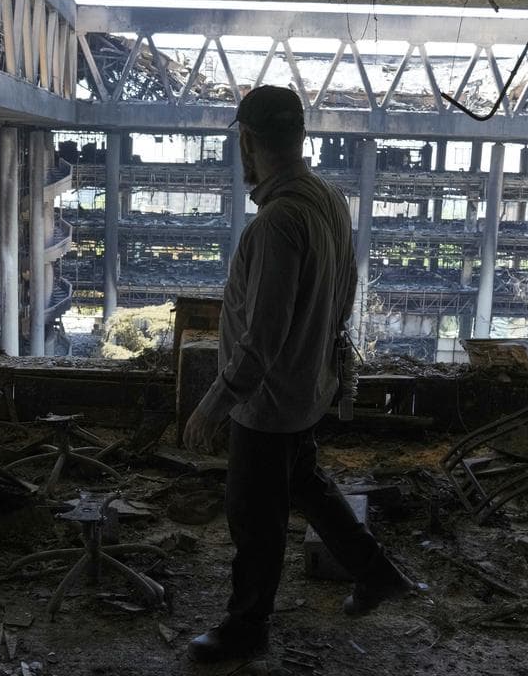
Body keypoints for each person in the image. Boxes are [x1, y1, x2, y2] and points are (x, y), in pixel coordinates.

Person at [183, 85, 415, 663]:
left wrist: (214, 405)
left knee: (254, 521)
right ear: (300, 136)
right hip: (308, 386)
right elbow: (346, 291)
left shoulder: (275, 225)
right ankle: (377, 572)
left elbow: (261, 338)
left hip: (268, 403)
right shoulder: (328, 198)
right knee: (305, 483)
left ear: (247, 141)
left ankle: (246, 630)